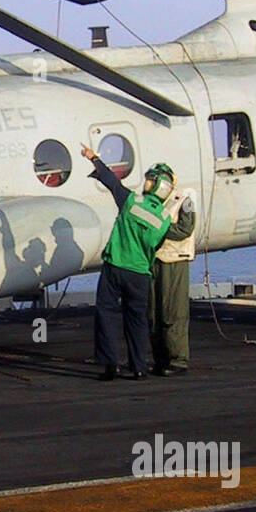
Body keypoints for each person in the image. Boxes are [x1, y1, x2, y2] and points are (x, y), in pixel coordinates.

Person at [81, 145, 173, 380]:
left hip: (115, 268)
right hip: (140, 274)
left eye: (150, 181)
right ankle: (139, 367)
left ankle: (110, 365)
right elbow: (156, 245)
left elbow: (112, 183)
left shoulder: (131, 202)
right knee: (137, 321)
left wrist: (94, 159)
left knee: (107, 315)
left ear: (155, 185)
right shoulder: (164, 218)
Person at [150, 186, 197, 375]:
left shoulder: (184, 200)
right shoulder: (152, 202)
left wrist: (158, 229)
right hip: (156, 259)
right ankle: (160, 358)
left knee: (173, 311)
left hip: (175, 259)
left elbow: (184, 229)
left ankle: (178, 359)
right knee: (153, 312)